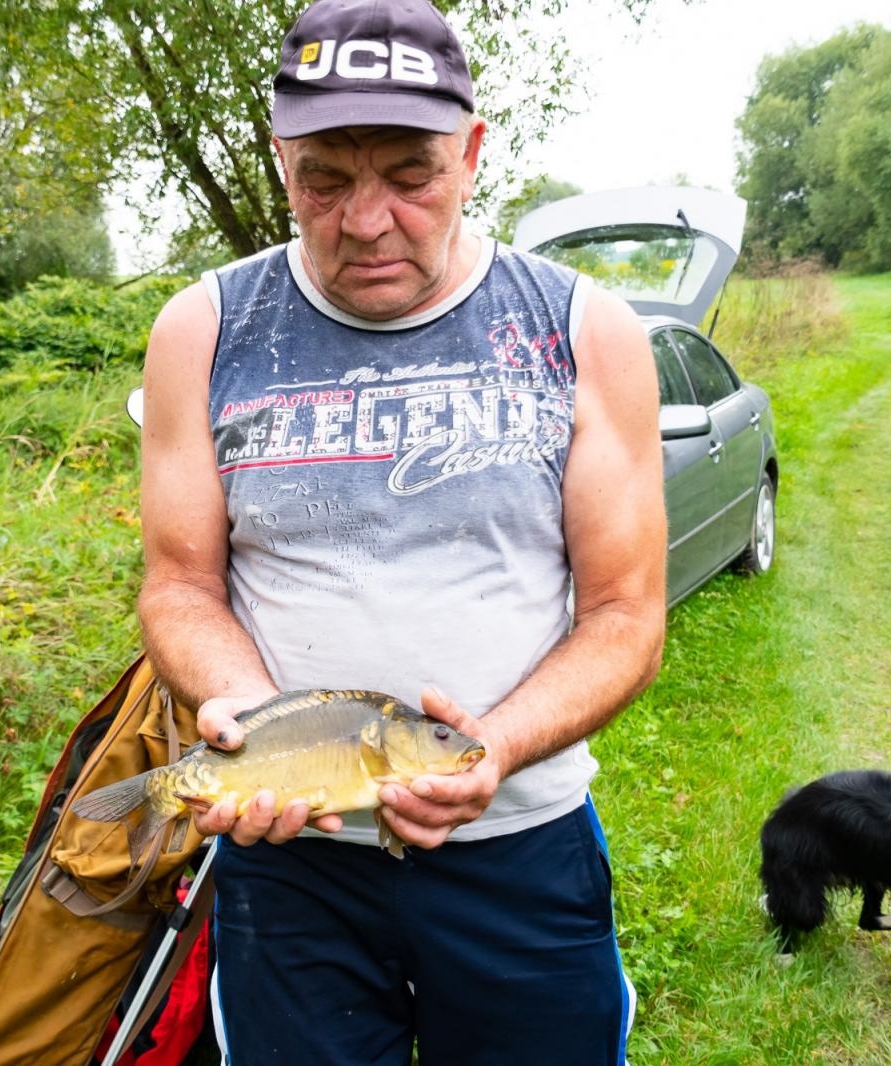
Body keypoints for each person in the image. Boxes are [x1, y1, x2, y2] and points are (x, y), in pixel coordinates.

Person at [136, 0, 666, 1061]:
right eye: (324, 179)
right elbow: (180, 586)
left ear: (470, 155)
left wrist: (493, 749)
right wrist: (238, 708)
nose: (366, 220)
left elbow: (625, 614)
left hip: (518, 848)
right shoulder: (202, 331)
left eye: (411, 175)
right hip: (292, 864)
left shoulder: (581, 330)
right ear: (278, 160)